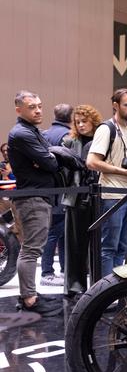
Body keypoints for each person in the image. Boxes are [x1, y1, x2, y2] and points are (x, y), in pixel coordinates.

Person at [8, 90, 61, 316]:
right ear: (19, 109)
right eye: (32, 107)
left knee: (31, 249)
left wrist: (47, 158)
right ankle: (29, 299)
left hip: (37, 196)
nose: (38, 110)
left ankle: (28, 294)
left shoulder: (31, 131)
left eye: (39, 106)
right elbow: (51, 163)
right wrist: (48, 159)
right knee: (31, 250)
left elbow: (49, 158)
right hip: (32, 198)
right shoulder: (22, 133)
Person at [87, 88, 127, 278]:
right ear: (115, 106)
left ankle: (117, 288)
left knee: (123, 247)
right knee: (109, 246)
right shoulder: (106, 129)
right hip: (112, 195)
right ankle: (105, 289)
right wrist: (122, 171)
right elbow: (92, 162)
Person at [62, 104, 102, 298]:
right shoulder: (69, 142)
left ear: (93, 121)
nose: (80, 125)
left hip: (101, 196)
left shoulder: (102, 140)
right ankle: (74, 285)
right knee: (75, 244)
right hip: (76, 198)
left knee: (100, 245)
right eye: (77, 122)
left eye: (84, 121)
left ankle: (99, 284)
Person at [40, 103, 74, 285]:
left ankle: (63, 269)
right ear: (71, 117)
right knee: (56, 233)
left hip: (48, 190)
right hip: (63, 190)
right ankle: (47, 273)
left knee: (60, 232)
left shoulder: (44, 134)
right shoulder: (68, 136)